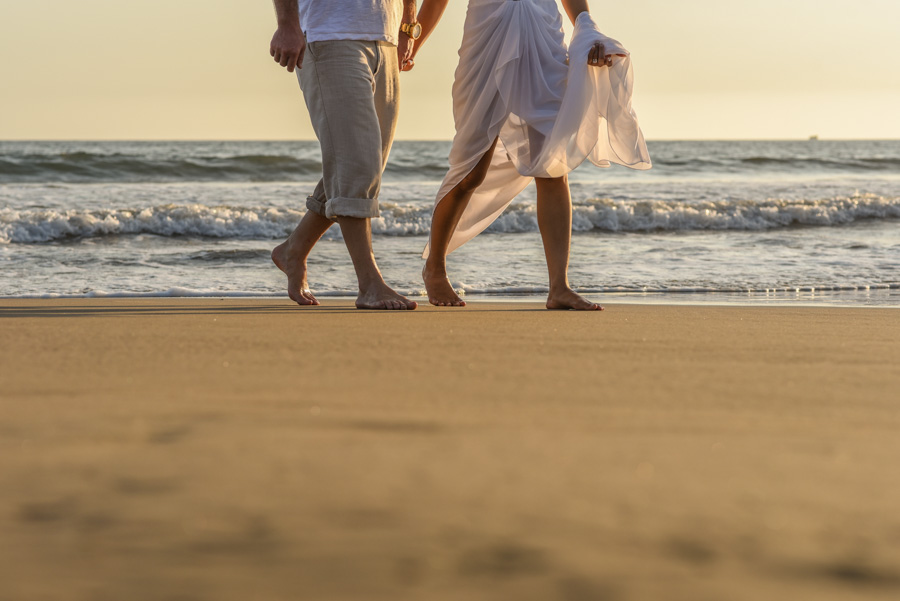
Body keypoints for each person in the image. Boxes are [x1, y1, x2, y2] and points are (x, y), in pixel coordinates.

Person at [408, 0, 652, 309]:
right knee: (472, 171)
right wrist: (411, 42)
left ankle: (559, 287)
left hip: (544, 44)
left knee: (553, 166)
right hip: (487, 42)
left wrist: (588, 27)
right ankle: (435, 269)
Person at [269, 0, 419, 310]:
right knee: (356, 165)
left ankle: (293, 250)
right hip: (329, 35)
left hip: (386, 38)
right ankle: (369, 283)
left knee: (364, 165)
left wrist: (407, 25)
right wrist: (287, 24)